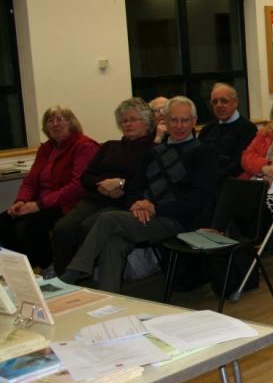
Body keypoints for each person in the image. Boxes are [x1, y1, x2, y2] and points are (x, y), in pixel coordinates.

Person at [62, 97, 218, 292]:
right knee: (113, 241)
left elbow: (199, 199)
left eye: (185, 120)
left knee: (109, 219)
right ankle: (108, 297)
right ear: (165, 121)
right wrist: (137, 204)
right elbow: (134, 186)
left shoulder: (203, 153)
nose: (179, 126)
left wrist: (155, 208)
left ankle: (72, 275)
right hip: (148, 218)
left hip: (179, 221)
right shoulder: (155, 151)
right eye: (174, 120)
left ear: (194, 121)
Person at [50, 98, 156, 275]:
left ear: (146, 122)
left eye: (133, 119)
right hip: (95, 199)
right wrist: (102, 184)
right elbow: (86, 177)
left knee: (88, 227)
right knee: (63, 227)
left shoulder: (153, 150)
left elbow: (147, 181)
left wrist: (121, 183)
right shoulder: (109, 146)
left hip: (122, 202)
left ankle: (79, 274)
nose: (127, 124)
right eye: (124, 120)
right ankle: (62, 277)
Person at [0, 106, 99, 269]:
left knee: (30, 226)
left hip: (67, 204)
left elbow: (77, 186)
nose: (55, 124)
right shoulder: (46, 148)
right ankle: (21, 268)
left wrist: (38, 205)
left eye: (61, 119)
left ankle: (44, 268)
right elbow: (30, 180)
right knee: (4, 221)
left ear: (71, 123)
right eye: (50, 120)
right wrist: (21, 200)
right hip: (40, 203)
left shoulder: (84, 146)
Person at [197, 83, 257, 183]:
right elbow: (198, 157)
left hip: (231, 184)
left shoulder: (248, 129)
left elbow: (240, 163)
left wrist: (213, 178)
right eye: (215, 102)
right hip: (205, 182)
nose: (219, 105)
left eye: (224, 101)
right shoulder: (207, 129)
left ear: (235, 102)